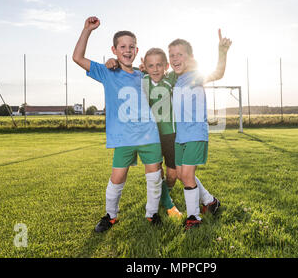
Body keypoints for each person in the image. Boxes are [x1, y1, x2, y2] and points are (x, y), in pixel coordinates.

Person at [72, 16, 164, 233]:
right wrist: (87, 30)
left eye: (131, 46)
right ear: (114, 49)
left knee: (154, 176)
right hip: (124, 137)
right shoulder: (107, 72)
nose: (127, 50)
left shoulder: (144, 75)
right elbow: (77, 57)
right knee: (117, 176)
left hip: (149, 134)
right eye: (122, 46)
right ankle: (111, 216)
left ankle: (152, 214)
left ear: (137, 49)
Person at [106, 48, 182, 219]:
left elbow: (186, 67)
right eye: (151, 66)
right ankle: (168, 203)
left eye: (159, 65)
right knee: (157, 171)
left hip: (169, 133)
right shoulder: (141, 78)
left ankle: (164, 195)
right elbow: (124, 69)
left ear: (165, 66)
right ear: (145, 67)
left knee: (172, 175)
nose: (155, 69)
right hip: (149, 134)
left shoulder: (170, 78)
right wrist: (112, 61)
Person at [168, 29, 232, 230]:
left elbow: (219, 72)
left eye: (180, 54)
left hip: (196, 133)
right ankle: (211, 202)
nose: (175, 58)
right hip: (180, 136)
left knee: (187, 176)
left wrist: (222, 52)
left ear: (190, 57)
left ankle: (194, 218)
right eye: (172, 55)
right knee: (180, 175)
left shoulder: (196, 76)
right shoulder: (173, 79)